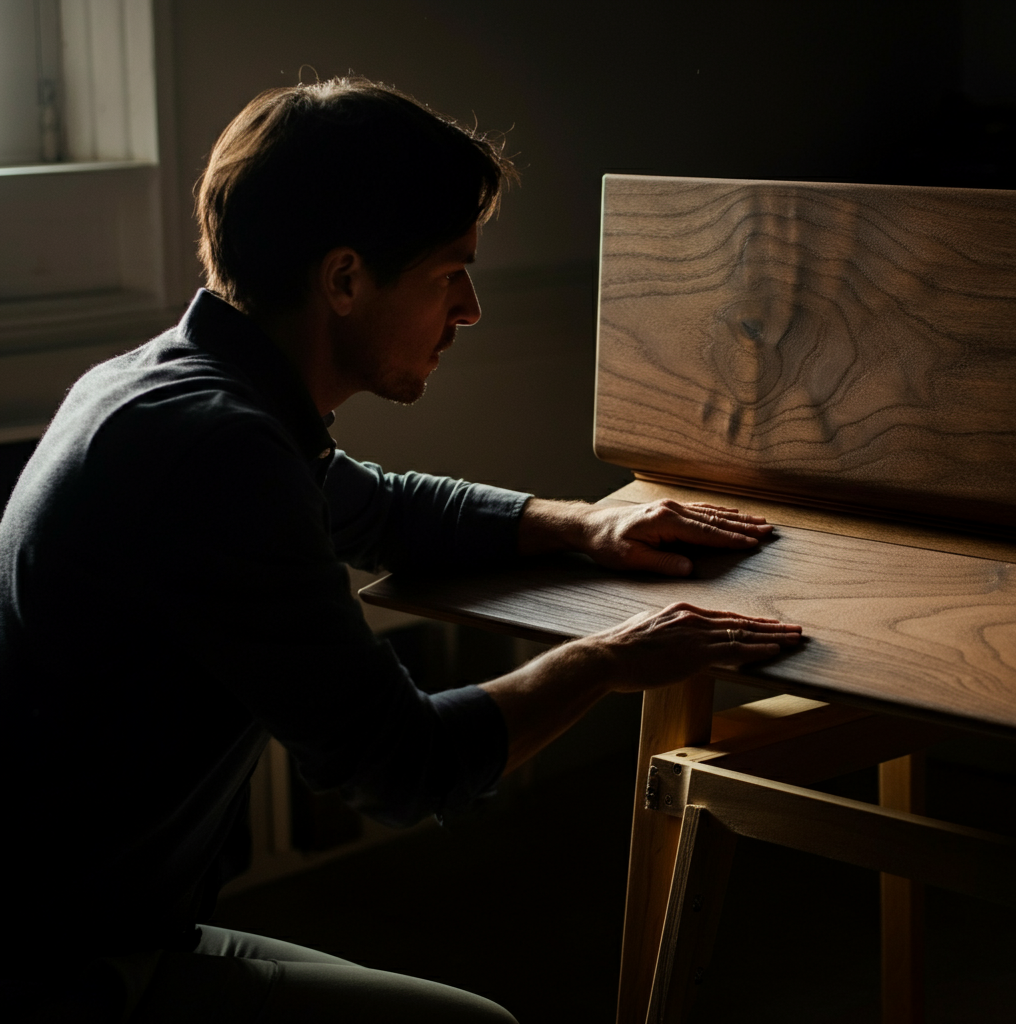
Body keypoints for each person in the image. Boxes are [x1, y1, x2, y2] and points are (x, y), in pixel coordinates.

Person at [0, 77, 801, 1023]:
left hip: (100, 923)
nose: (468, 310)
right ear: (344, 280)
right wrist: (614, 659)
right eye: (447, 272)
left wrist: (586, 523)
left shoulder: (165, 386)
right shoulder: (218, 453)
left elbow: (381, 509)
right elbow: (406, 765)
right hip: (63, 971)